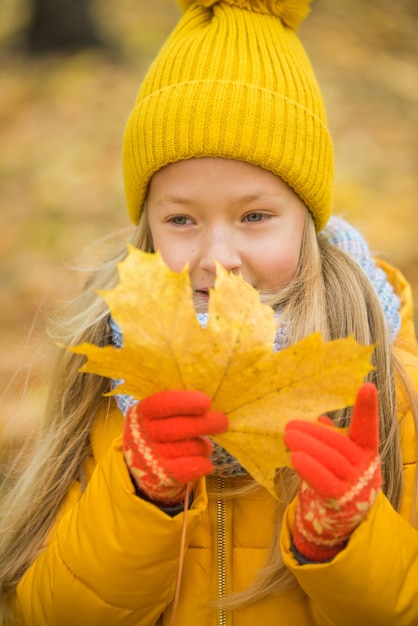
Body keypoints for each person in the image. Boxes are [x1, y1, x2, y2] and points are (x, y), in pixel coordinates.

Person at [1, 1, 417, 624]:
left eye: (255, 216)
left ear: (310, 223)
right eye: (181, 219)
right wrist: (141, 496)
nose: (218, 257)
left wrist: (346, 541)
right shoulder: (111, 385)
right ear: (146, 228)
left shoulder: (387, 384)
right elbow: (45, 609)